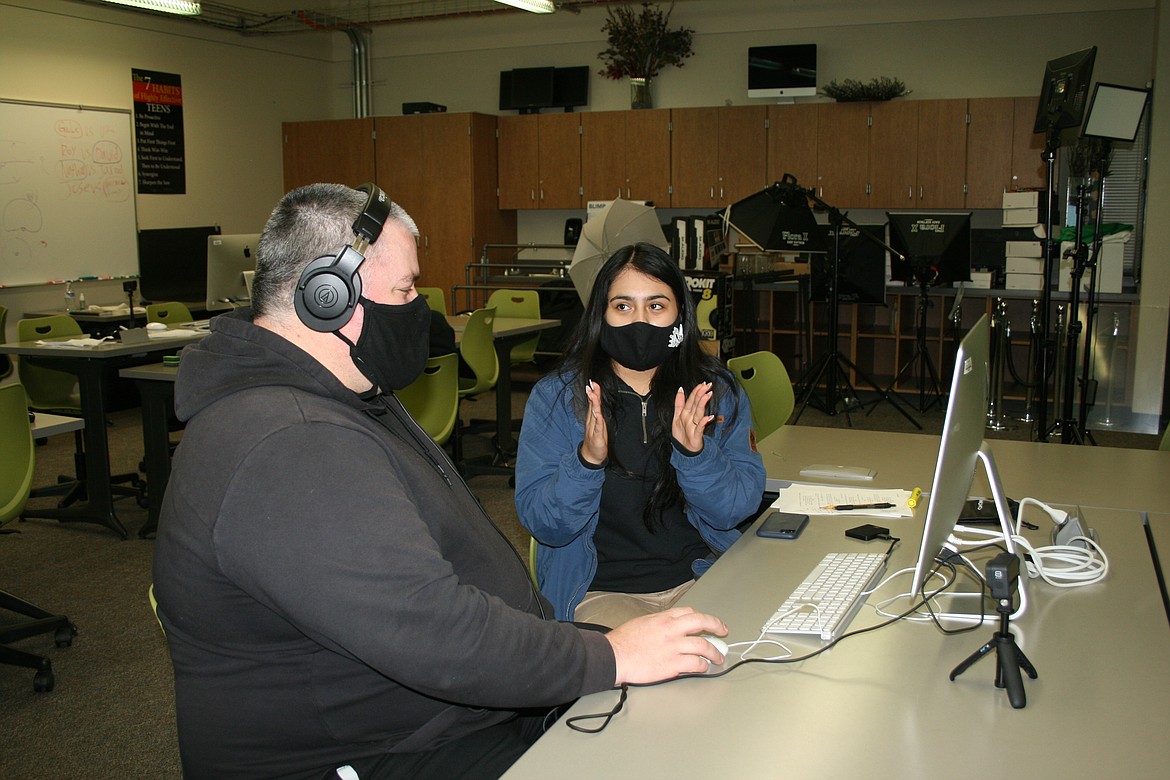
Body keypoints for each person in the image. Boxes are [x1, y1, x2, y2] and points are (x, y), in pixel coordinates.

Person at [151, 184, 729, 780]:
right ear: (328, 295)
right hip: (375, 750)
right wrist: (610, 654)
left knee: (672, 717)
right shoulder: (290, 442)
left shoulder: (335, 401)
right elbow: (430, 633)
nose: (418, 310)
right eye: (405, 290)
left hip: (436, 710)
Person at [515, 243, 766, 627]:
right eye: (623, 306)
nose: (640, 321)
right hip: (602, 590)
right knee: (637, 664)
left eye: (656, 306)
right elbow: (545, 524)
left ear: (680, 314)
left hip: (700, 575)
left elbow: (737, 507)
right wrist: (586, 462)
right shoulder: (558, 397)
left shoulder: (715, 391)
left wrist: (696, 456)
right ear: (601, 315)